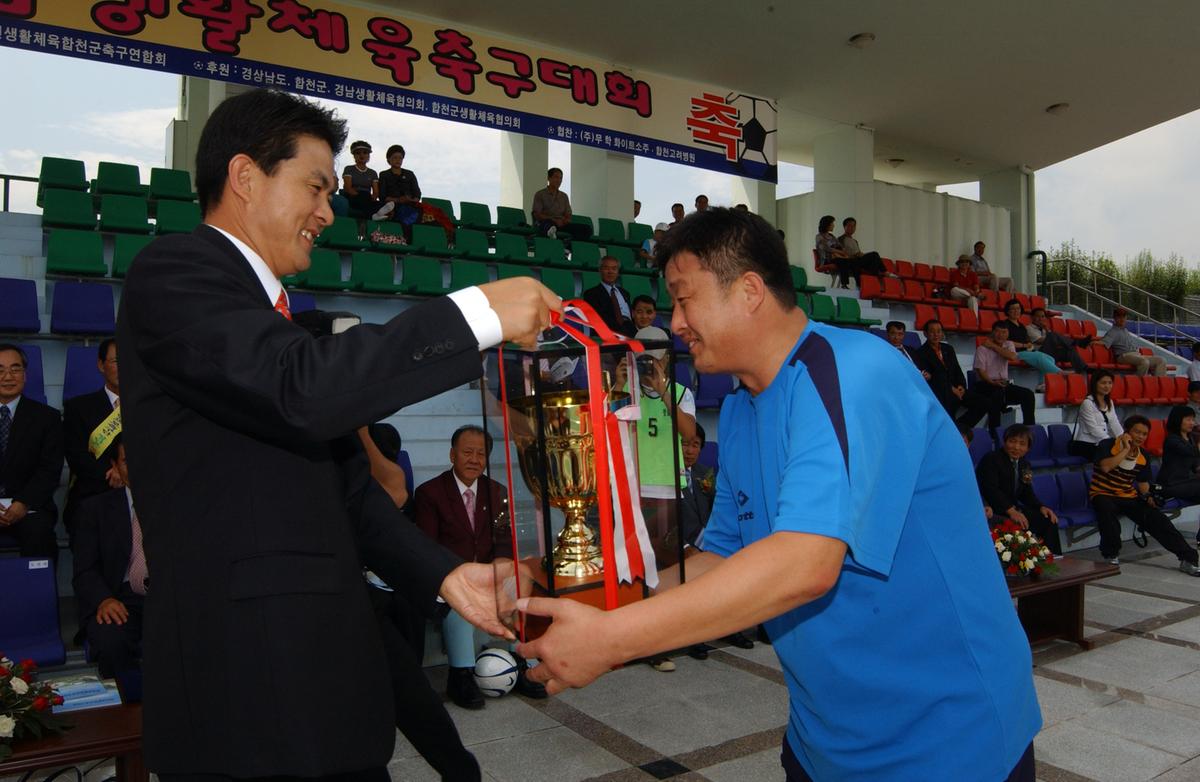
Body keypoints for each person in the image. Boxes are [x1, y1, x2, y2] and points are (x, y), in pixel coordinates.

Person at [116, 88, 560, 780]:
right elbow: (303, 390)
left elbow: (348, 497)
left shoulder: (279, 321)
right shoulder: (175, 273)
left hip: (325, 696)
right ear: (244, 177)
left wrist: (445, 576)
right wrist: (474, 313)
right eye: (315, 187)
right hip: (248, 705)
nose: (328, 212)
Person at [518, 207, 1040, 782]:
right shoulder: (742, 407)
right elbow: (718, 556)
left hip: (946, 743)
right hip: (826, 742)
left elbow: (805, 566)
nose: (676, 321)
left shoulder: (854, 370)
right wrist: (577, 594)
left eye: (685, 298)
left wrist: (611, 642)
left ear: (748, 291)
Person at [413, 425, 546, 709]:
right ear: (452, 455)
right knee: (461, 597)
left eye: (481, 454)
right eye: (467, 452)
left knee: (515, 586)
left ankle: (522, 661)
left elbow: (503, 540)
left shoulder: (496, 491)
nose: (474, 459)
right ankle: (460, 674)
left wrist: (500, 567)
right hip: (449, 576)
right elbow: (427, 547)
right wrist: (460, 574)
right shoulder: (430, 493)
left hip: (488, 574)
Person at [71, 435, 145, 679]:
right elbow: (85, 569)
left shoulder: (178, 507)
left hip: (169, 596)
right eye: (127, 461)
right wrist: (104, 599)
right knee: (111, 640)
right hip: (118, 595)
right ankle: (126, 711)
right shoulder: (95, 509)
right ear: (115, 467)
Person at [1089, 415, 1200, 574]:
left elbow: (1142, 484)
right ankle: (1110, 554)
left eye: (1144, 434)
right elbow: (1106, 467)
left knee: (1158, 520)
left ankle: (1188, 559)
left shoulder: (1143, 456)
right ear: (1127, 431)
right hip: (1102, 493)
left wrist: (1148, 497)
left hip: (1128, 495)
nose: (1141, 437)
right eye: (1137, 432)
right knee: (1106, 511)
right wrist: (1126, 449)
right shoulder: (1107, 445)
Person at [0, 343, 62, 565]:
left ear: (24, 375)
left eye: (15, 369)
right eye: (0, 370)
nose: (8, 376)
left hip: (30, 506)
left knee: (40, 536)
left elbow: (50, 470)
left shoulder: (47, 418)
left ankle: (38, 598)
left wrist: (22, 503)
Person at [62, 338, 123, 539]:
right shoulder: (78, 408)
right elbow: (76, 455)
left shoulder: (150, 407)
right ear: (101, 365)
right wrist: (113, 474)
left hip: (141, 492)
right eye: (116, 361)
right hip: (94, 491)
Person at [975, 424, 1061, 555]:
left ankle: (1052, 558)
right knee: (1016, 523)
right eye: (1012, 441)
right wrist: (1011, 511)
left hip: (1013, 509)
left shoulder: (1024, 464)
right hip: (993, 510)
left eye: (1022, 444)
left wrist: (1040, 507)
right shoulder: (991, 459)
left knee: (1047, 520)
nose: (1016, 447)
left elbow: (1026, 491)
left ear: (1028, 448)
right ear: (1005, 442)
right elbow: (990, 490)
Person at [957, 322, 1036, 436]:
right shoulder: (982, 349)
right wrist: (992, 382)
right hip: (985, 384)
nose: (1001, 335)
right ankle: (994, 432)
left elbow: (1012, 357)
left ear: (1008, 333)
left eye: (1004, 332)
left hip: (1003, 383)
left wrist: (994, 347)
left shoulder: (1008, 344)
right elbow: (981, 372)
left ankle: (1029, 429)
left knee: (1028, 394)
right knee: (996, 394)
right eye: (998, 331)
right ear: (992, 332)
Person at [1159, 406, 1200, 544]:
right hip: (1170, 484)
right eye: (1188, 419)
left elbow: (1195, 464)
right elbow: (1192, 452)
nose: (1192, 423)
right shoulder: (1172, 440)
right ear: (1178, 420)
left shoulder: (1190, 439)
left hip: (1186, 483)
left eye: (1193, 420)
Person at [1000, 299, 1059, 392]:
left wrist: (1029, 345)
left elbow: (1027, 341)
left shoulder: (1021, 326)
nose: (1016, 311)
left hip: (1025, 351)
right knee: (1039, 356)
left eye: (1018, 308)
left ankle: (1041, 385)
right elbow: (1005, 342)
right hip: (1014, 352)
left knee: (1050, 358)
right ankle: (1060, 373)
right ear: (1008, 311)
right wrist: (1023, 345)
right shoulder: (1005, 325)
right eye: (1013, 309)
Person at [914, 319, 967, 418]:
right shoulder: (921, 352)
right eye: (932, 331)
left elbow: (957, 370)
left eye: (939, 331)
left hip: (956, 388)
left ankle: (962, 427)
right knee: (949, 399)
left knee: (983, 402)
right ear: (925, 333)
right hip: (940, 390)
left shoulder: (948, 349)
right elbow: (934, 377)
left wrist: (961, 386)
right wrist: (952, 389)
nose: (936, 334)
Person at [1097, 308, 1168, 376]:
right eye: (1119, 316)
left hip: (1136, 355)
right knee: (1144, 362)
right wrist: (1093, 342)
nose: (1122, 319)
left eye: (1124, 316)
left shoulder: (1125, 330)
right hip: (1124, 356)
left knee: (1161, 360)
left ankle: (1158, 384)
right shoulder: (1112, 332)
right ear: (1115, 318)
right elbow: (1103, 342)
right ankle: (1138, 383)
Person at [1070, 371, 1122, 461]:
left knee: (1125, 452)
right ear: (1095, 384)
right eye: (1103, 383)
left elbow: (1115, 422)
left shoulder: (1109, 402)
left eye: (1110, 383)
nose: (1107, 386)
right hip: (1087, 444)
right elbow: (1093, 429)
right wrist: (1111, 441)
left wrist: (1122, 438)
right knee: (1113, 455)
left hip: (1102, 443)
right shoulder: (1087, 403)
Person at [582, 255, 637, 337]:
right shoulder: (591, 294)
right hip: (609, 333)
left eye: (614, 268)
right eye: (606, 268)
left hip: (630, 331)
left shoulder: (625, 293)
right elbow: (599, 320)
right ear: (600, 270)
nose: (610, 271)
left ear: (618, 272)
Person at [532, 167, 589, 240]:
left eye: (560, 178)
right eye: (556, 177)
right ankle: (551, 233)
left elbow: (568, 213)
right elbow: (537, 214)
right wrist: (554, 220)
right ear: (549, 178)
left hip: (561, 224)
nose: (558, 180)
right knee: (547, 224)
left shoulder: (564, 196)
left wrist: (565, 220)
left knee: (586, 229)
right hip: (548, 222)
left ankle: (568, 245)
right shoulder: (540, 194)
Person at [373, 143, 422, 227]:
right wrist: (398, 200)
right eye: (395, 157)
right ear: (389, 160)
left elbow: (417, 193)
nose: (398, 160)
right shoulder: (384, 174)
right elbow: (382, 196)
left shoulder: (410, 174)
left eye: (400, 158)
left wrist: (410, 199)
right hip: (392, 204)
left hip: (410, 204)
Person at [1027, 308, 1088, 375]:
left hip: (1051, 353)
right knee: (1053, 335)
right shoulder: (1029, 328)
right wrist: (1050, 335)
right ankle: (1077, 343)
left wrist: (1046, 329)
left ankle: (1083, 369)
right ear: (1032, 317)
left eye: (1042, 316)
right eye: (1037, 316)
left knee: (1070, 350)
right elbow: (1039, 341)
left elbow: (1052, 340)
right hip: (1039, 353)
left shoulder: (1044, 329)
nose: (1040, 318)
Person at [341, 139, 383, 218]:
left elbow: (376, 192)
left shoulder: (372, 173)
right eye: (358, 153)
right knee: (364, 198)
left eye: (365, 153)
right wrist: (360, 196)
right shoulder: (349, 169)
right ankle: (374, 215)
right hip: (352, 196)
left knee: (380, 203)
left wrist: (372, 198)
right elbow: (348, 188)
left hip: (367, 198)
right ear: (354, 155)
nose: (362, 155)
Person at [814, 214, 853, 288]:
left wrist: (843, 251)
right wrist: (840, 252)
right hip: (827, 259)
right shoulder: (819, 236)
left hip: (836, 257)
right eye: (832, 224)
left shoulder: (832, 236)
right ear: (827, 225)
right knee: (842, 261)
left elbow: (840, 246)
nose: (833, 225)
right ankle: (844, 284)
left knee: (851, 261)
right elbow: (826, 248)